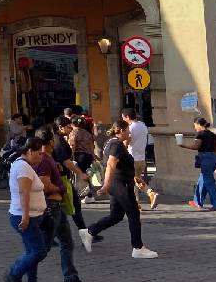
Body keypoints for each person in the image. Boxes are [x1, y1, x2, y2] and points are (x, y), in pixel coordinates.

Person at [78, 120, 159, 259]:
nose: (129, 133)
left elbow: (121, 166)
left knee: (116, 216)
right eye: (128, 130)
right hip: (120, 185)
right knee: (133, 214)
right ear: (121, 130)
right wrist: (106, 185)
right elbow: (110, 165)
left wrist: (134, 177)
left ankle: (90, 231)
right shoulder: (116, 144)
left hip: (119, 184)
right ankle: (138, 247)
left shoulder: (112, 143)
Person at [33, 129, 92, 282]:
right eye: (53, 138)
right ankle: (18, 273)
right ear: (51, 141)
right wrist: (59, 189)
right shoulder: (44, 160)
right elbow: (45, 184)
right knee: (42, 248)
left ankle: (70, 278)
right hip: (52, 207)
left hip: (57, 207)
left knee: (66, 242)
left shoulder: (47, 158)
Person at [4, 137, 52, 282]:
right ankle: (13, 274)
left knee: (32, 251)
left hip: (33, 215)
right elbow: (24, 194)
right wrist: (25, 217)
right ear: (29, 151)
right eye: (38, 154)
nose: (41, 158)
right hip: (24, 216)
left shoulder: (25, 165)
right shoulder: (23, 167)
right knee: (39, 251)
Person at [53, 116, 93, 234]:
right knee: (69, 206)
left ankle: (84, 232)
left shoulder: (58, 138)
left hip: (63, 176)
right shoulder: (58, 141)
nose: (71, 128)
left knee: (73, 205)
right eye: (68, 126)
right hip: (61, 178)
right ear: (60, 127)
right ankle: (48, 234)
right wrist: (81, 174)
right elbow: (66, 161)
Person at [178, 117, 216, 210]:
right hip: (212, 158)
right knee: (202, 180)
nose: (194, 127)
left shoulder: (200, 134)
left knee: (209, 182)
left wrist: (183, 145)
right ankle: (197, 202)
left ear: (199, 124)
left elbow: (196, 146)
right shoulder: (212, 135)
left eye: (195, 125)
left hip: (205, 158)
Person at [122, 109, 159, 210]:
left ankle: (149, 193)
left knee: (131, 180)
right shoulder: (143, 126)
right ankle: (137, 202)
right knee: (135, 179)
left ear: (127, 117)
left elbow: (126, 143)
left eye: (123, 118)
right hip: (141, 158)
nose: (123, 120)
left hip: (131, 157)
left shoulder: (130, 128)